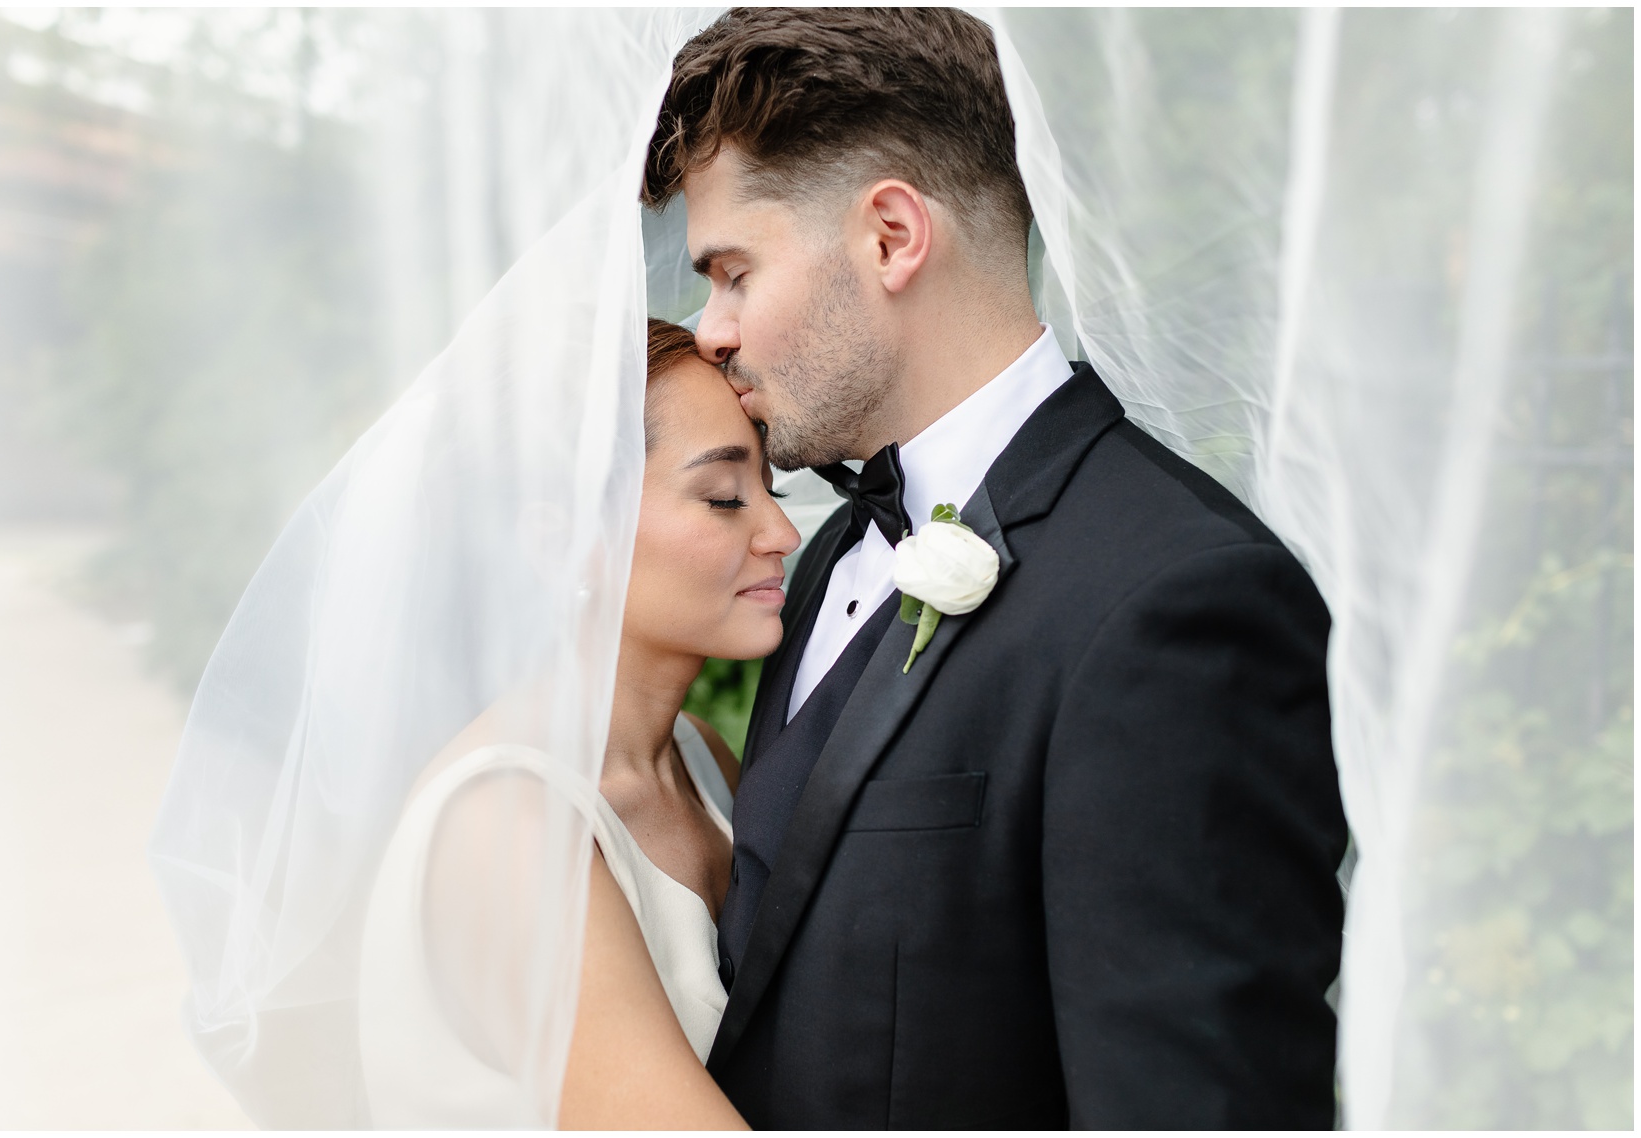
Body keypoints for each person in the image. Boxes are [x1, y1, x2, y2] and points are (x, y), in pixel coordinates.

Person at [642, 8, 1350, 1128]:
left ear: (889, 236)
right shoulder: (823, 557)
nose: (712, 330)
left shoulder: (1173, 603)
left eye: (732, 272)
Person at [355, 319, 793, 1128]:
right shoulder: (506, 825)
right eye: (725, 497)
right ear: (566, 541)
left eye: (775, 489)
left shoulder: (704, 759)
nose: (781, 534)